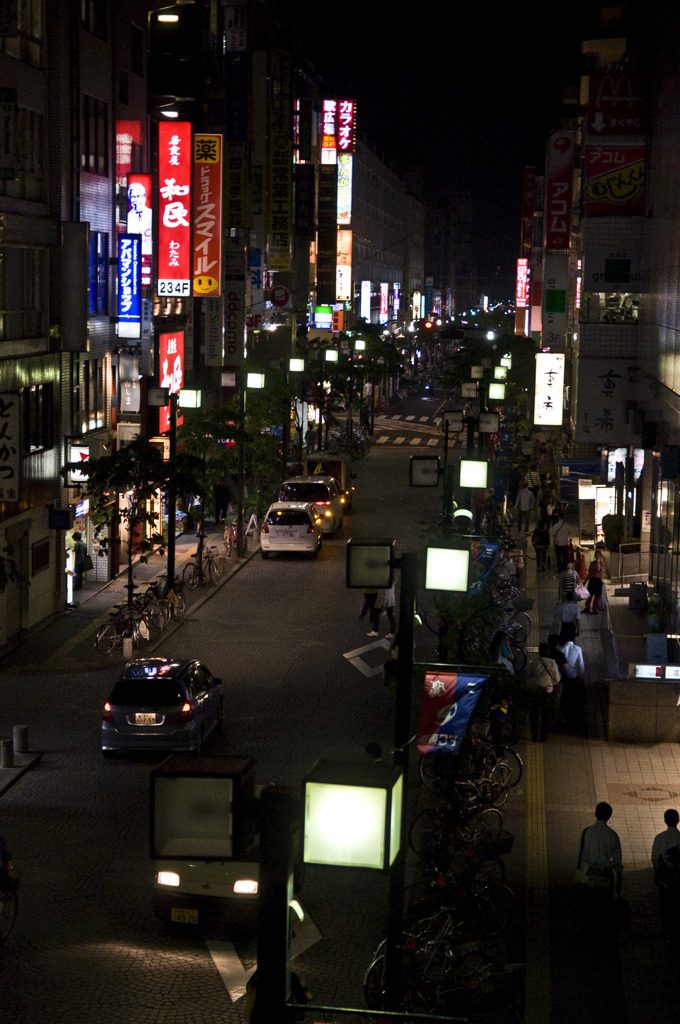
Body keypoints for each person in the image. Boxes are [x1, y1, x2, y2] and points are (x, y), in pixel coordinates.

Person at [577, 802, 623, 933]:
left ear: (595, 814)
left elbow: (581, 857)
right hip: (605, 879)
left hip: (588, 878)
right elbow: (618, 862)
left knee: (588, 910)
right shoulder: (613, 835)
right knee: (603, 912)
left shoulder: (587, 832)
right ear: (609, 817)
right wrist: (619, 881)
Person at [651, 808, 680, 947]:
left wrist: (657, 875)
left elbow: (654, 859)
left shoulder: (660, 838)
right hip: (678, 880)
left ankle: (669, 935)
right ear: (678, 821)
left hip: (665, 880)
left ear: (665, 820)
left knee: (666, 906)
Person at [525, 642, 561, 741]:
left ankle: (534, 736)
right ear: (548, 652)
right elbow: (557, 679)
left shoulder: (535, 663)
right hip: (548, 691)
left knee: (534, 713)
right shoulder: (553, 664)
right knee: (545, 715)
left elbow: (529, 674)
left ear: (539, 652)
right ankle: (543, 736)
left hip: (536, 691)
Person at [559, 629, 586, 730]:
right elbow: (581, 664)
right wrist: (581, 675)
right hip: (574, 677)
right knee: (575, 697)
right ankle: (575, 715)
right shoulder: (577, 649)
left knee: (565, 697)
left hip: (564, 678)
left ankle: (565, 714)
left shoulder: (561, 649)